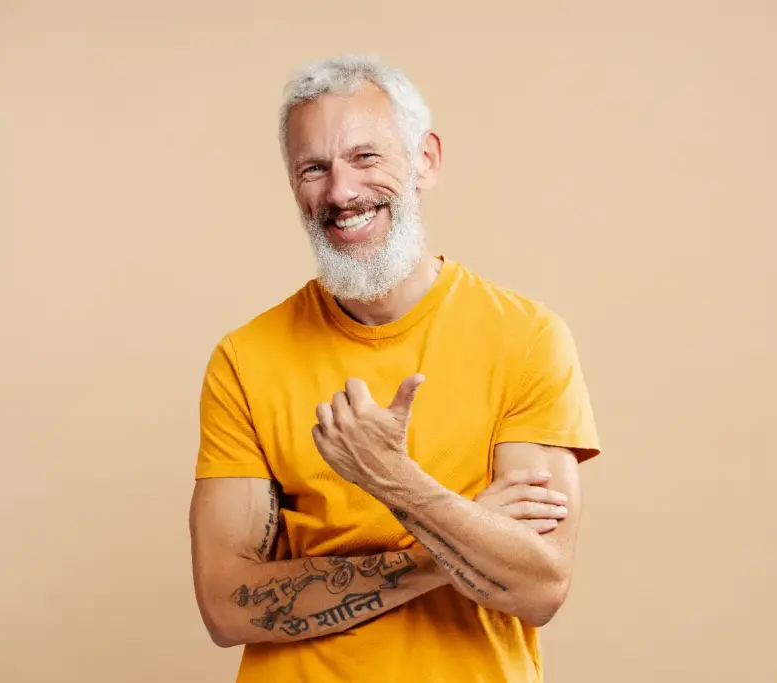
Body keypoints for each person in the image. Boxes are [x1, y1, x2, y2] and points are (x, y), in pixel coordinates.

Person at [188, 53, 601, 683]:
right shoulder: (245, 360)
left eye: (365, 157)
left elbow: (538, 584)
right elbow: (225, 605)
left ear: (426, 160)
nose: (340, 191)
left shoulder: (527, 338)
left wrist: (392, 481)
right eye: (313, 168)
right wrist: (452, 543)